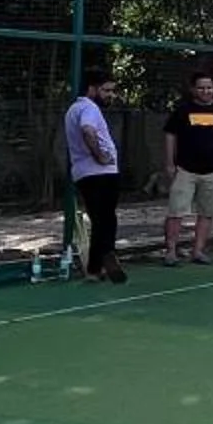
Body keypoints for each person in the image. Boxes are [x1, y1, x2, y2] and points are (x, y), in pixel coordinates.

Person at [159, 70, 213, 266]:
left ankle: (198, 251)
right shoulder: (182, 111)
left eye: (209, 87)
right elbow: (170, 135)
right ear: (193, 89)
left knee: (207, 212)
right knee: (176, 211)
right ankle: (171, 252)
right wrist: (169, 163)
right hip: (185, 170)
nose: (206, 91)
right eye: (201, 88)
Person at [63, 67, 129, 283]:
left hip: (83, 172)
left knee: (100, 219)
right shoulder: (89, 108)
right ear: (92, 89)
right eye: (106, 90)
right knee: (107, 218)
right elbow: (88, 130)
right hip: (101, 172)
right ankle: (107, 252)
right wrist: (100, 156)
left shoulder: (73, 109)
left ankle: (94, 269)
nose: (111, 95)